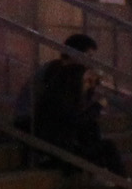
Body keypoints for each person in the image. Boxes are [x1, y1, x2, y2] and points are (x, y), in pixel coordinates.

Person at [20, 33, 120, 170]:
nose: (91, 63)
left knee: (91, 127)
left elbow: (75, 108)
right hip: (31, 122)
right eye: (88, 57)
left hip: (52, 124)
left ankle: (97, 166)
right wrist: (95, 101)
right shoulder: (58, 72)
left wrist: (89, 88)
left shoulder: (71, 73)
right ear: (75, 55)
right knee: (94, 133)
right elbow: (66, 110)